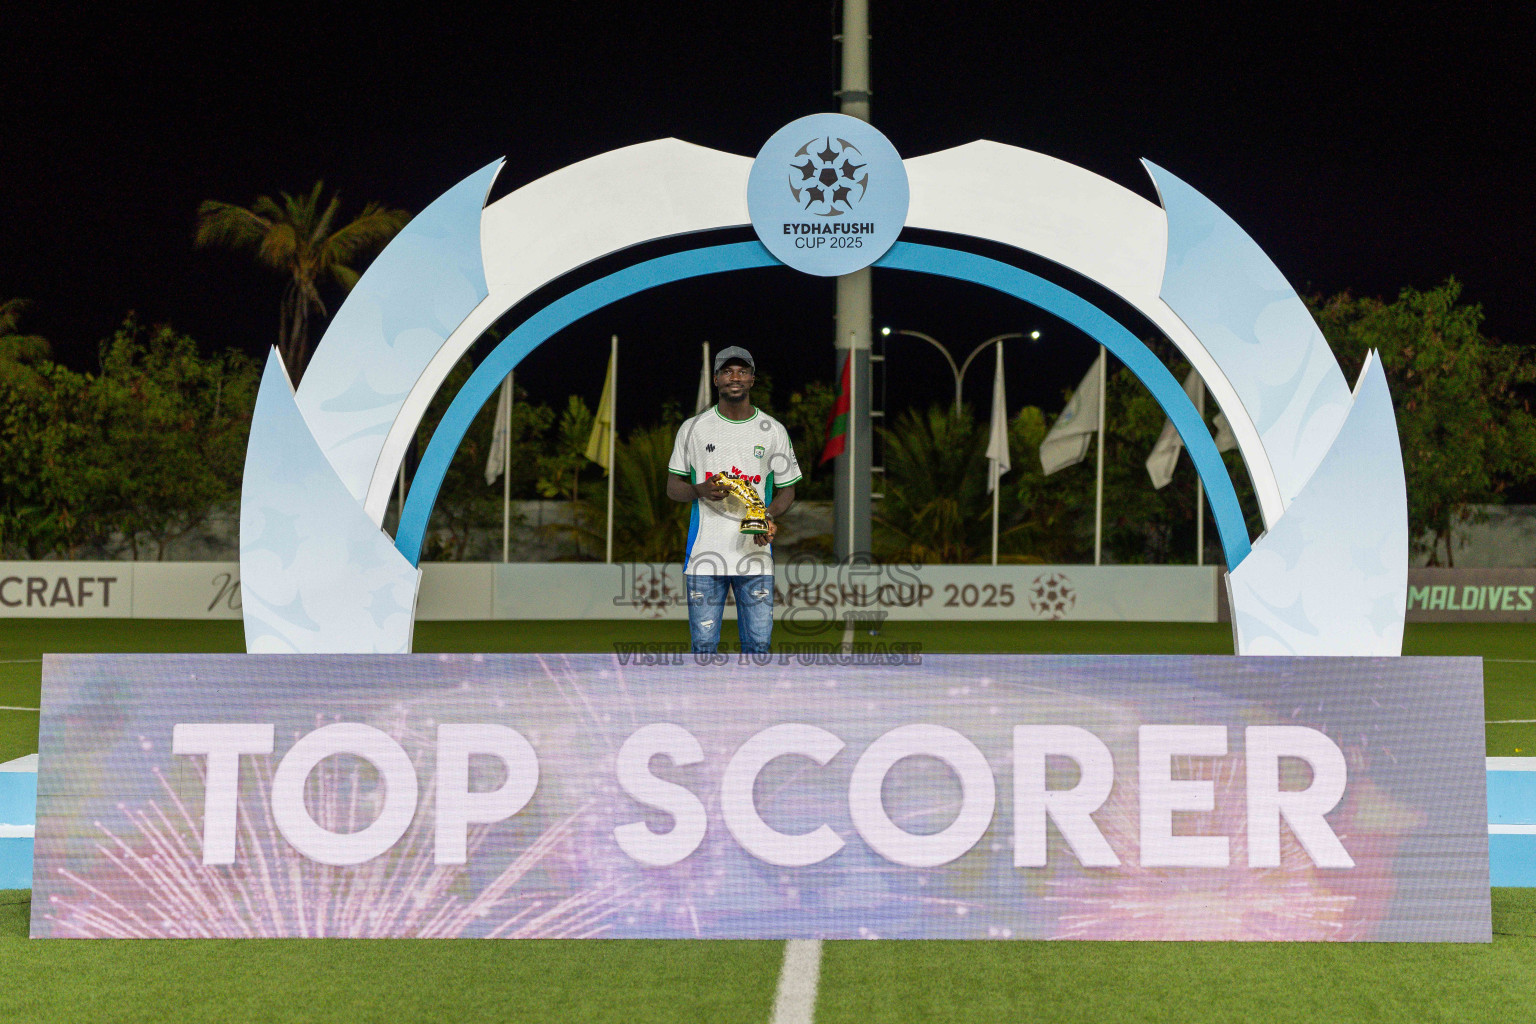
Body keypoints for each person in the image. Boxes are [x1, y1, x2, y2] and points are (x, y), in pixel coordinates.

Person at [667, 346, 800, 654]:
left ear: (752, 379)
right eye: (727, 371)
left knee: (758, 647)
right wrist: (699, 489)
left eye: (742, 371)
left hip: (755, 556)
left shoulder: (773, 430)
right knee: (703, 649)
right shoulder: (693, 428)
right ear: (716, 379)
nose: (735, 377)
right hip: (704, 556)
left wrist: (767, 517)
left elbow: (788, 489)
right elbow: (673, 487)